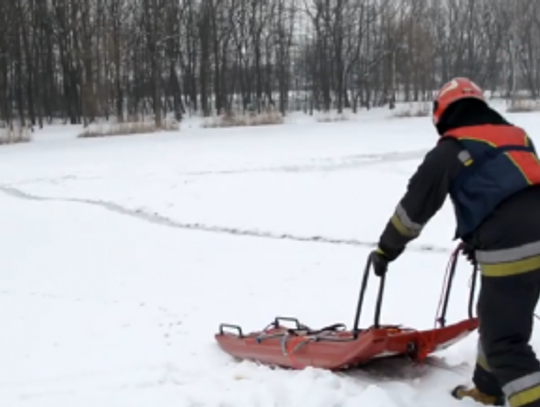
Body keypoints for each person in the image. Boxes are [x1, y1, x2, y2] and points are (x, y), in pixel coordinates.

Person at [370, 77, 540, 407]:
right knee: (498, 318)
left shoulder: (452, 148)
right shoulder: (516, 135)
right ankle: (488, 389)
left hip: (513, 247)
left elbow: (413, 210)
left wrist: (386, 250)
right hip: (525, 241)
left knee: (504, 342)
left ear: (442, 112)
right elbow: (517, 187)